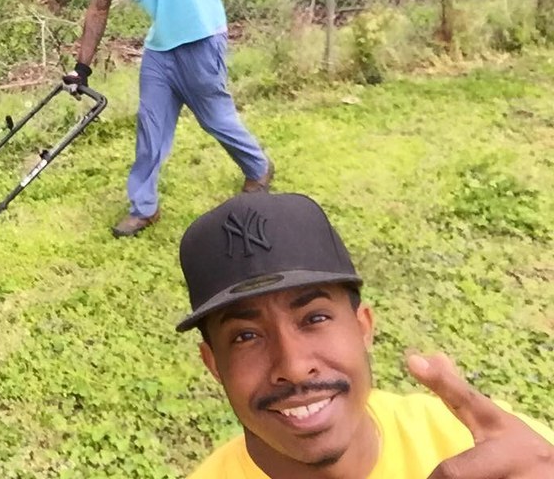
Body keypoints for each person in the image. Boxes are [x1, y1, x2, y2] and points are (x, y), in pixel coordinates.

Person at [176, 191, 554, 478]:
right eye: (245, 337)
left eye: (315, 318)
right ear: (214, 364)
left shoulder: (477, 444)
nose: (292, 367)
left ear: (363, 328)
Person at [64, 0, 273, 239]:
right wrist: (82, 67)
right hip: (161, 47)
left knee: (215, 118)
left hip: (200, 35)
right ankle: (144, 206)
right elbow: (98, 7)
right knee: (151, 126)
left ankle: (258, 169)